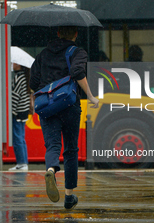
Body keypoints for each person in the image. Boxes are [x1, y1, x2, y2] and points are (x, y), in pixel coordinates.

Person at [30, 26, 99, 209]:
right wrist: (91, 96)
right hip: (69, 105)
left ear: (58, 33)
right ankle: (69, 196)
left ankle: (51, 169)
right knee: (70, 149)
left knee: (52, 145)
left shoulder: (43, 54)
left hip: (48, 107)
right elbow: (77, 72)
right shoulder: (77, 52)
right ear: (75, 34)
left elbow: (33, 82)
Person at [8, 64, 31, 171]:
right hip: (23, 112)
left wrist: (10, 111)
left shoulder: (18, 78)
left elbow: (15, 96)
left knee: (17, 138)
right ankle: (23, 162)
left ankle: (22, 163)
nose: (13, 64)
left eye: (15, 63)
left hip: (17, 112)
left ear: (20, 65)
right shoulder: (25, 77)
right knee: (21, 137)